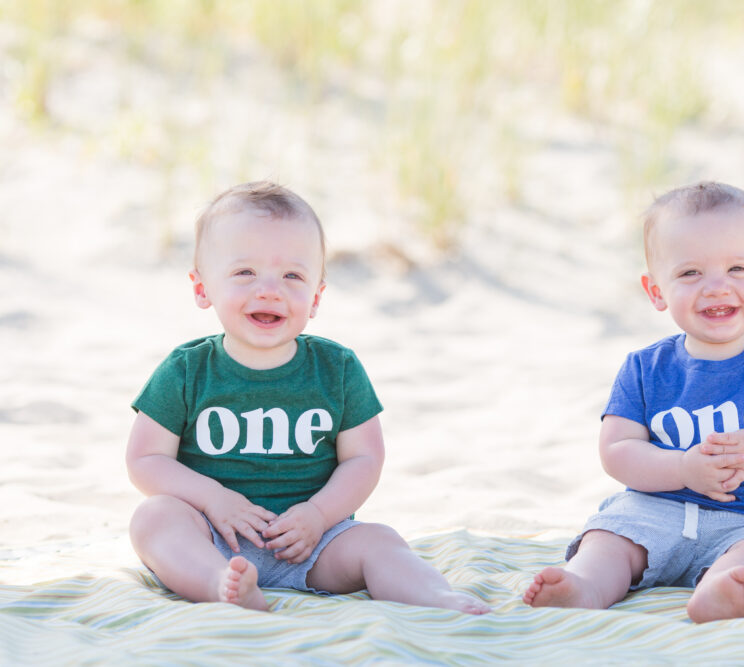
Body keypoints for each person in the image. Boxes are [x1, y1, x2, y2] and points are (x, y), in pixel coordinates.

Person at [127, 181, 489, 614]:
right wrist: (212, 498)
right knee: (153, 518)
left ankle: (436, 597)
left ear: (316, 297)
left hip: (316, 547)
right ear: (202, 288)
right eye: (245, 272)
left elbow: (364, 460)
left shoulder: (337, 369)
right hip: (212, 536)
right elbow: (145, 459)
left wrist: (318, 516)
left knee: (380, 541)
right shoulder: (186, 371)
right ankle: (219, 584)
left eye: (292, 276)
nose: (269, 290)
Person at [523, 181, 744, 622]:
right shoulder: (644, 368)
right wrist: (681, 468)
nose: (716, 287)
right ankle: (583, 586)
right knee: (609, 537)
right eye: (690, 273)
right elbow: (616, 450)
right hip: (654, 509)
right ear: (656, 290)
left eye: (737, 268)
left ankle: (722, 591)